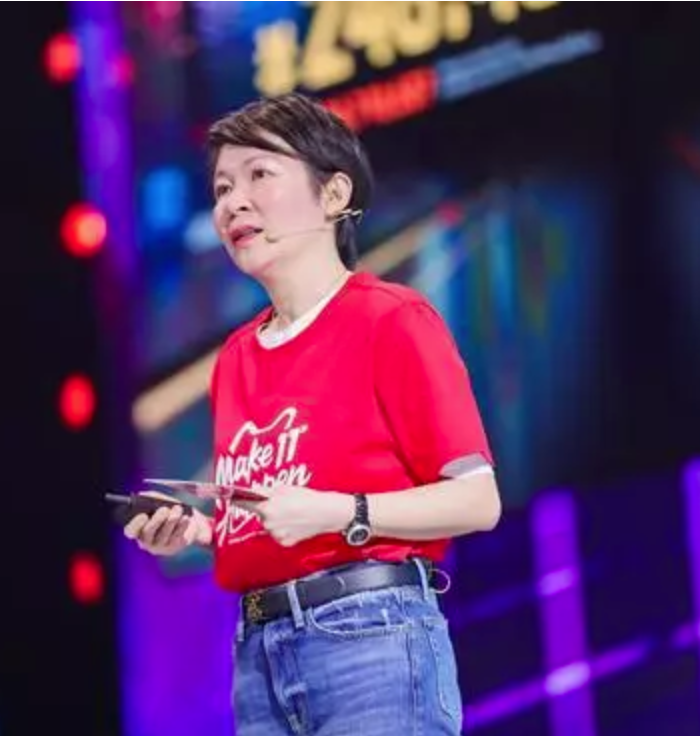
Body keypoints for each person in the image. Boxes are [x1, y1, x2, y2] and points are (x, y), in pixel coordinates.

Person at [123, 92, 501, 736]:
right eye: (221, 188)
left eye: (259, 175)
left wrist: (341, 512)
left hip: (372, 638)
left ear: (333, 195)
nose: (233, 203)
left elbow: (476, 500)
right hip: (259, 656)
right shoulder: (235, 359)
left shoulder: (391, 319)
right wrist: (200, 532)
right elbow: (278, 519)